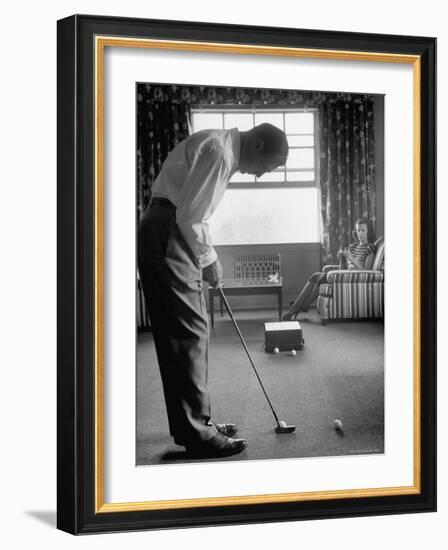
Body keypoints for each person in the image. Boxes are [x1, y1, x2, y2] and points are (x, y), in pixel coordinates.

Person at [138, 123, 289, 458]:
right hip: (169, 232)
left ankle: (194, 426)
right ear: (259, 144)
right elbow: (191, 217)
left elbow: (190, 211)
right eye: (268, 167)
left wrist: (204, 257)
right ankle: (198, 434)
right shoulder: (221, 152)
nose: (262, 175)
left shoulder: (219, 144)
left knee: (183, 334)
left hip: (163, 229)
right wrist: (210, 260)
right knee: (189, 333)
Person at [282, 218, 377, 320]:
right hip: (343, 276)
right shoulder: (353, 246)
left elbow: (367, 271)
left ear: (369, 231)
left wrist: (352, 259)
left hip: (353, 278)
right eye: (358, 230)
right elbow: (344, 267)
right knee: (317, 277)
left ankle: (295, 309)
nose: (360, 234)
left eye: (363, 230)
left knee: (319, 277)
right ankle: (301, 306)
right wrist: (342, 257)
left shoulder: (370, 248)